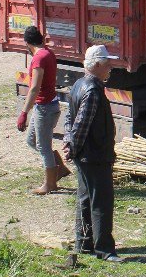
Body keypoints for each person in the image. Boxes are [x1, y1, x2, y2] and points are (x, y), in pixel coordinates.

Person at [61, 45, 122, 261]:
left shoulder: (79, 84)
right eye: (107, 64)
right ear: (96, 65)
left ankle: (83, 242)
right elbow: (81, 124)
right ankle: (104, 249)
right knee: (101, 201)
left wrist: (69, 144)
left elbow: (69, 120)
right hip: (95, 155)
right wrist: (72, 146)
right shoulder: (93, 90)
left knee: (85, 198)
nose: (110, 68)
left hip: (86, 155)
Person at [16, 26, 69, 195]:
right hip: (46, 106)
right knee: (32, 141)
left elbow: (34, 88)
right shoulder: (48, 53)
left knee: (43, 146)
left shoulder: (39, 58)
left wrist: (24, 112)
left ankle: (50, 184)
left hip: (44, 108)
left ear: (27, 43)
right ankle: (58, 169)